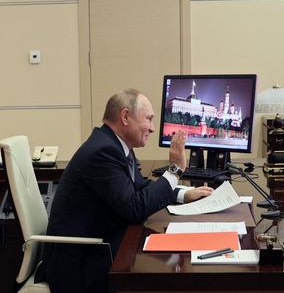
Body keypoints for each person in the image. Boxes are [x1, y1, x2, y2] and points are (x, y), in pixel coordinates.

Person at [41, 89, 213, 293]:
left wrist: (183, 194)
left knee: (168, 258)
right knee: (167, 273)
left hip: (100, 244)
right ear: (125, 117)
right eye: (148, 119)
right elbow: (135, 208)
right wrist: (174, 171)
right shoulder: (103, 151)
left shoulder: (115, 145)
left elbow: (139, 187)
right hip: (79, 262)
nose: (151, 128)